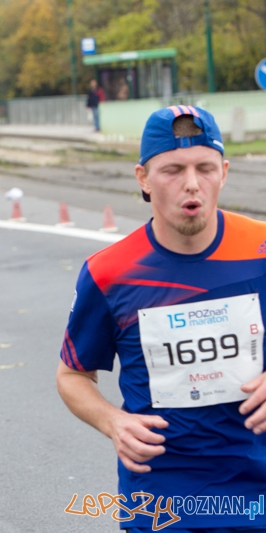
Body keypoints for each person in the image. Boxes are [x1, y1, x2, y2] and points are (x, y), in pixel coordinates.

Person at [57, 105, 266, 532]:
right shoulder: (109, 271)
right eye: (172, 170)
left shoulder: (260, 249)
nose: (192, 184)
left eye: (204, 168)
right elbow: (72, 375)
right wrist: (112, 420)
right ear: (143, 179)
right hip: (161, 501)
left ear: (223, 172)